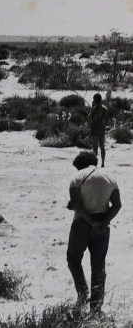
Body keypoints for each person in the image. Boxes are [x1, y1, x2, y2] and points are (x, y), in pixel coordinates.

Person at [66, 150, 121, 314]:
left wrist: (91, 223)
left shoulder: (77, 178)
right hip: (103, 225)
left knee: (73, 258)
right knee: (98, 265)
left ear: (80, 165)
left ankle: (82, 292)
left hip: (82, 224)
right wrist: (102, 223)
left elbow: (78, 205)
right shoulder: (110, 178)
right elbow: (117, 205)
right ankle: (96, 307)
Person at [89, 92, 110, 167]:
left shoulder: (93, 109)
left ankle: (95, 164)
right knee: (102, 147)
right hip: (102, 130)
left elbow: (90, 119)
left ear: (94, 100)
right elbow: (106, 119)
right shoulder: (105, 109)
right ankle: (103, 163)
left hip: (94, 130)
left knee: (95, 148)